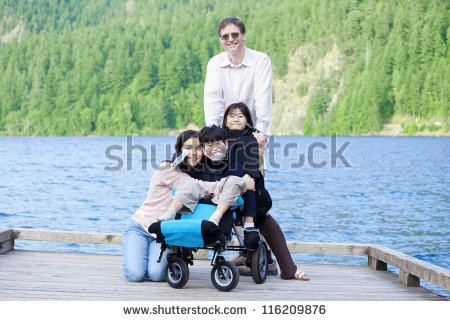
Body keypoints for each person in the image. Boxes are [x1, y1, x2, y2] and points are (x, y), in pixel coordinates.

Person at [122, 130, 254, 282]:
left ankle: (146, 260)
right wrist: (240, 183)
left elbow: (207, 183)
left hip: (165, 232)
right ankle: (132, 257)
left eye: (198, 148)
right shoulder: (167, 168)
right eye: (188, 148)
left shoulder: (198, 171)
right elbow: (200, 186)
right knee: (136, 275)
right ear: (179, 151)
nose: (194, 152)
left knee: (157, 275)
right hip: (142, 226)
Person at [223, 102, 310, 281]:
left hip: (250, 190)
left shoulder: (254, 138)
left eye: (240, 116)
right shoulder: (218, 137)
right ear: (225, 121)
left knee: (264, 219)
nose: (236, 118)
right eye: (231, 116)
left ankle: (288, 268)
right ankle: (256, 259)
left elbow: (257, 169)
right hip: (222, 191)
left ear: (247, 120)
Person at [160, 125, 261, 250]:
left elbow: (250, 191)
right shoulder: (200, 165)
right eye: (209, 145)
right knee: (190, 184)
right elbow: (178, 161)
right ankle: (171, 213)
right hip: (202, 199)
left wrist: (249, 222)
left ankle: (216, 218)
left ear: (226, 144)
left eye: (218, 143)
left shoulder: (235, 166)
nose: (215, 148)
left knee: (235, 182)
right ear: (203, 149)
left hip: (226, 202)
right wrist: (182, 154)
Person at [204, 16, 271, 157]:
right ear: (220, 39)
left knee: (254, 175)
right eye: (225, 36)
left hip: (252, 131)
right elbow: (213, 100)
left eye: (235, 34)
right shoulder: (215, 63)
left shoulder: (260, 60)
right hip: (223, 133)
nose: (230, 39)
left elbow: (262, 98)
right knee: (221, 175)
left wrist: (260, 132)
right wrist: (212, 133)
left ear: (244, 35)